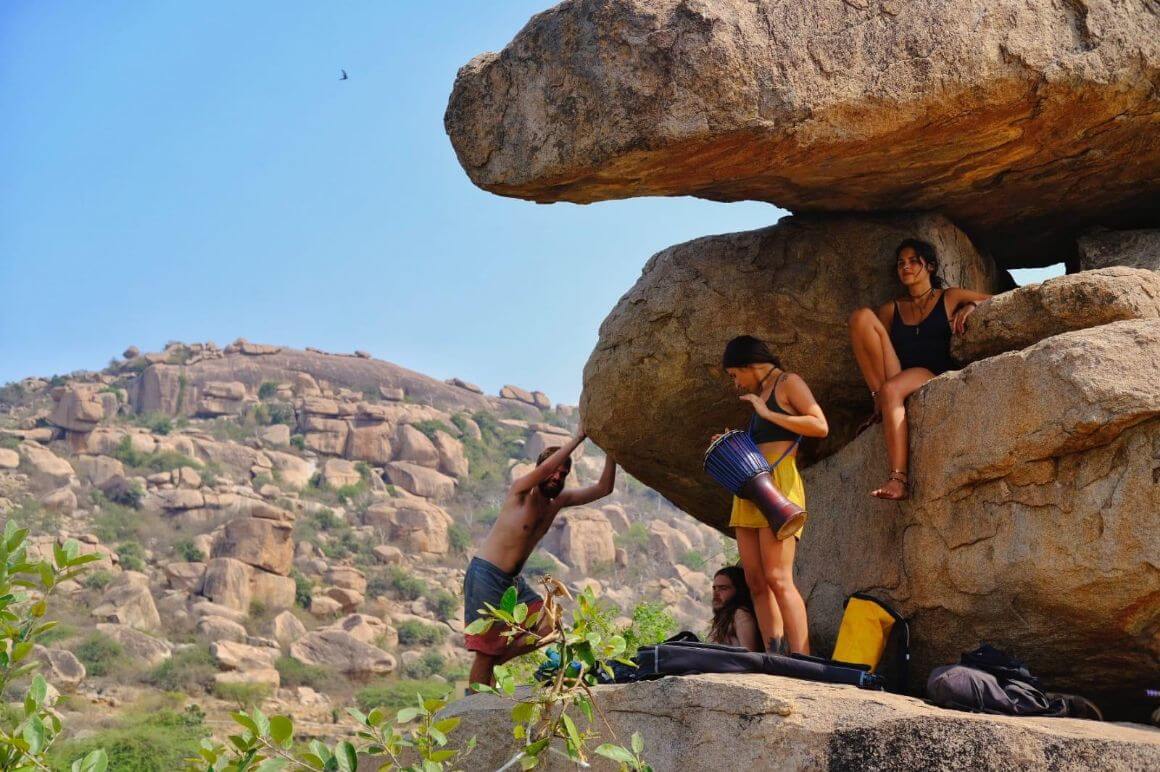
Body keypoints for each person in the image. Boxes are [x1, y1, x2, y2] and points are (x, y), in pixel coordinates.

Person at [464, 423, 616, 688]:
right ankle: (474, 704)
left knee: (550, 625)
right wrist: (579, 438)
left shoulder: (557, 502)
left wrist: (613, 451)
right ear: (539, 472)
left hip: (512, 582)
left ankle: (499, 661)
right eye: (553, 471)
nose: (557, 477)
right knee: (485, 651)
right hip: (486, 575)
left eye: (564, 473)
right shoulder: (520, 493)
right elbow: (545, 469)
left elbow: (604, 488)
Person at [847, 239, 992, 500]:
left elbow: (996, 300)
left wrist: (971, 305)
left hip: (933, 372)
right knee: (860, 317)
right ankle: (878, 399)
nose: (906, 267)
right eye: (901, 263)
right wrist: (876, 392)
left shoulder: (950, 296)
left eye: (914, 261)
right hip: (900, 372)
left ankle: (898, 479)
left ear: (930, 266)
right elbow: (875, 349)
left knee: (892, 389)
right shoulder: (892, 308)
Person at [720, 335, 829, 655]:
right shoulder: (759, 395)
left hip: (778, 484)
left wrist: (767, 414)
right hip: (747, 486)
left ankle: (802, 658)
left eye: (735, 374)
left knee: (778, 576)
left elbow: (819, 425)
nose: (736, 383)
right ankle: (774, 655)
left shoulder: (787, 382)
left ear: (748, 365)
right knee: (754, 579)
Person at [708, 565, 761, 651]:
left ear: (738, 590)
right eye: (714, 588)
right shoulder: (724, 616)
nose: (716, 594)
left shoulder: (741, 614)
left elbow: (750, 655)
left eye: (723, 588)